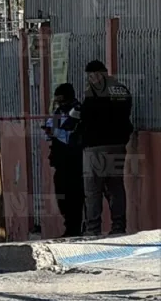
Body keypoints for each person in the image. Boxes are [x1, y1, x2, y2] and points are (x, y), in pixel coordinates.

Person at [73, 61, 133, 235]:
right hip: (118, 146)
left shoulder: (94, 92)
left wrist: (75, 115)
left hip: (96, 147)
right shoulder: (122, 89)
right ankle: (119, 227)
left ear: (97, 75)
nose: (90, 80)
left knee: (93, 190)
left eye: (91, 76)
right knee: (116, 188)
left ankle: (92, 230)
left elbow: (85, 115)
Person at [43, 83, 84, 238]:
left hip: (75, 162)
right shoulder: (58, 112)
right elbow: (48, 132)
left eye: (62, 99)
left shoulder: (78, 110)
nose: (60, 103)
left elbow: (72, 134)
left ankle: (76, 228)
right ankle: (70, 227)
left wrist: (58, 132)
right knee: (62, 197)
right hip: (61, 163)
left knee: (76, 197)